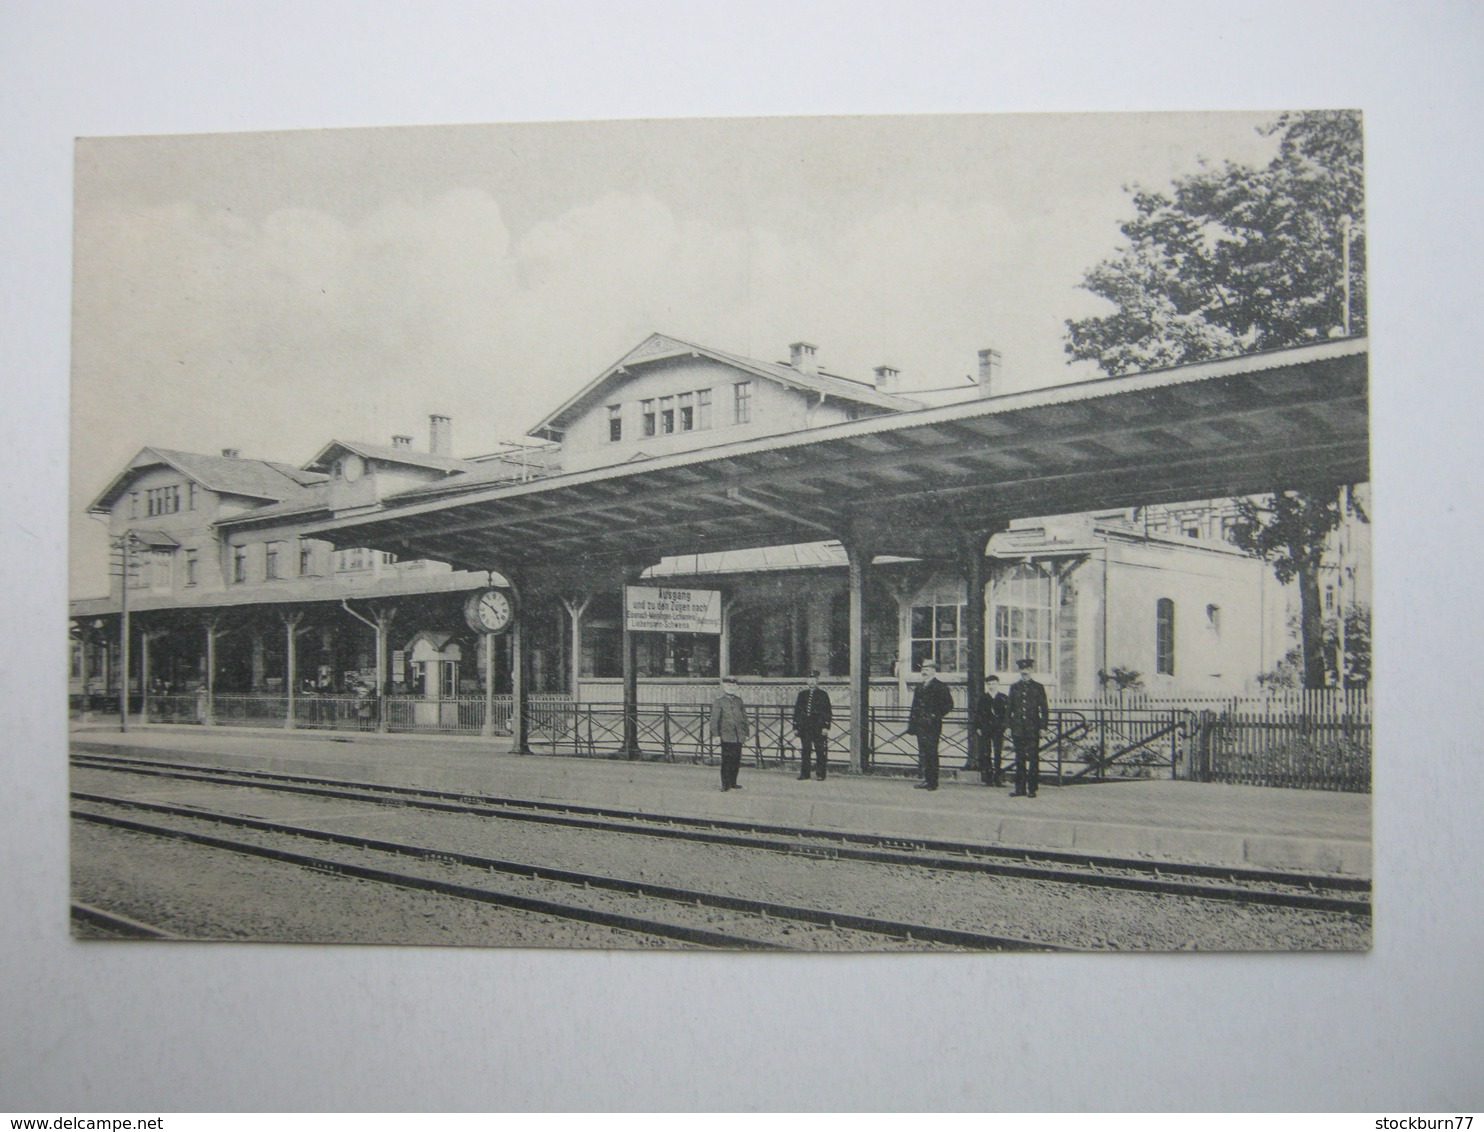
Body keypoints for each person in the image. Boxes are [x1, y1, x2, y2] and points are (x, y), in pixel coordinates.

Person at [905, 658, 954, 790]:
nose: (924, 672)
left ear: (933, 671)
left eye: (927, 669)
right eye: (923, 669)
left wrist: (935, 715)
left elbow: (949, 704)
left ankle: (933, 782)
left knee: (932, 752)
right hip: (920, 724)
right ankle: (926, 779)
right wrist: (912, 725)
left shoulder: (940, 686)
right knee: (923, 752)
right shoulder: (919, 687)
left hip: (932, 725)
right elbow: (914, 707)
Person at [1007, 657, 1050, 797]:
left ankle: (1032, 789)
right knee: (1019, 759)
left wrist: (1043, 727)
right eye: (1022, 669)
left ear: (1031, 670)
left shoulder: (1038, 687)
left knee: (1033, 759)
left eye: (1027, 669)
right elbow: (1009, 709)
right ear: (1019, 670)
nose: (1024, 672)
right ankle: (1020, 788)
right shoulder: (1014, 687)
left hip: (1033, 728)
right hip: (1018, 728)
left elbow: (1044, 709)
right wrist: (1008, 726)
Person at [709, 676, 750, 792]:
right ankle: (725, 784)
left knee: (736, 759)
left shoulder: (738, 700)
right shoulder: (719, 701)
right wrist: (716, 735)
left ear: (736, 687)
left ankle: (733, 782)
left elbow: (744, 718)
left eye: (733, 686)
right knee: (727, 760)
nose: (731, 688)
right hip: (726, 736)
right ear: (724, 686)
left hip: (738, 736)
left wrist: (746, 732)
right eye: (729, 685)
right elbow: (714, 720)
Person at [792, 670, 833, 781]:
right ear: (807, 681)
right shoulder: (802, 695)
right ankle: (805, 773)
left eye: (814, 680)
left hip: (818, 727)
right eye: (810, 680)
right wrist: (795, 727)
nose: (811, 682)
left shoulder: (823, 695)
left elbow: (827, 712)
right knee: (806, 750)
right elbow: (797, 711)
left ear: (817, 681)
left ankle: (820, 774)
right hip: (805, 727)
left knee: (820, 750)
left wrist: (825, 726)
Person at [972, 674, 1010, 787]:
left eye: (993, 684)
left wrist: (1007, 727)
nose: (991, 686)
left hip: (999, 729)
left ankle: (998, 778)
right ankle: (988, 778)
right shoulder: (983, 698)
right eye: (989, 684)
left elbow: (1007, 714)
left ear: (997, 684)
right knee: (986, 752)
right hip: (986, 729)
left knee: (998, 753)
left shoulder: (1003, 698)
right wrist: (978, 727)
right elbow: (978, 714)